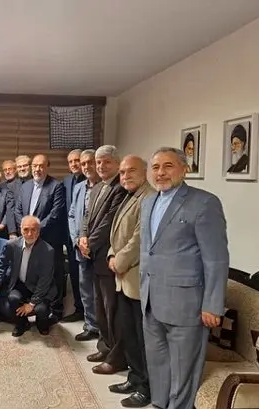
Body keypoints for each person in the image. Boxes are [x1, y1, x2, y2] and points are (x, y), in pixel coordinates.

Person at [141, 147, 229, 409]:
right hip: (151, 299)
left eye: (168, 166)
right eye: (156, 167)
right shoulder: (148, 202)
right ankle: (159, 404)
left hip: (186, 303)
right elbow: (148, 250)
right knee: (157, 365)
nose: (160, 173)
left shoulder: (204, 203)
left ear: (185, 169)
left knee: (183, 372)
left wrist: (213, 304)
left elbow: (216, 258)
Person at [107, 156, 155, 408]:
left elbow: (139, 239)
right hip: (124, 278)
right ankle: (135, 378)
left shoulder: (149, 198)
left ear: (144, 172)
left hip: (137, 279)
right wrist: (111, 255)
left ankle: (147, 388)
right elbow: (117, 233)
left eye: (131, 171)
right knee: (129, 334)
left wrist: (120, 261)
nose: (125, 176)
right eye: (122, 172)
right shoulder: (130, 195)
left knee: (142, 337)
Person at [79, 145, 127, 375]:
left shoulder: (120, 188)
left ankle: (117, 358)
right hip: (93, 257)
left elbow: (109, 222)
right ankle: (105, 348)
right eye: (98, 162)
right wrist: (82, 237)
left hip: (108, 258)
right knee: (100, 309)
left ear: (117, 163)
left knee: (112, 311)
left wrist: (90, 243)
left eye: (106, 161)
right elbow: (87, 217)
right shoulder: (98, 187)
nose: (101, 166)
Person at [0, 215, 57, 337]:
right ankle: (22, 323)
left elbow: (45, 280)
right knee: (13, 298)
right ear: (20, 229)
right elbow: (2, 265)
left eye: (33, 230)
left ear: (39, 231)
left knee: (41, 310)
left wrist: (31, 304)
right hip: (21, 284)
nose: (29, 234)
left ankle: (42, 323)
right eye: (26, 229)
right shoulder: (12, 244)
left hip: (40, 287)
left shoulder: (48, 250)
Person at [15, 154, 66, 321]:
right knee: (29, 272)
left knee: (54, 274)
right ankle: (30, 308)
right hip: (28, 238)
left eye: (41, 166)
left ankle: (55, 311)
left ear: (47, 167)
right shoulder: (25, 186)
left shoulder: (56, 186)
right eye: (35, 166)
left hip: (49, 237)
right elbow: (18, 210)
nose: (37, 169)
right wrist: (26, 231)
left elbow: (55, 213)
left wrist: (35, 230)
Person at [68, 149, 100, 341]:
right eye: (84, 163)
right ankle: (91, 326)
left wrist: (90, 242)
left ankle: (104, 329)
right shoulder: (79, 187)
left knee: (101, 292)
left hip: (100, 249)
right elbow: (72, 215)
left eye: (90, 162)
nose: (87, 166)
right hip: (81, 248)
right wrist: (77, 240)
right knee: (85, 289)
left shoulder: (107, 187)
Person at [62, 149, 86, 322]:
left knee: (87, 278)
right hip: (70, 237)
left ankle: (90, 314)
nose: (74, 164)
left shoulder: (91, 180)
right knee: (75, 274)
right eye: (70, 162)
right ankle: (79, 308)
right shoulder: (67, 180)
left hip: (86, 238)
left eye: (77, 160)